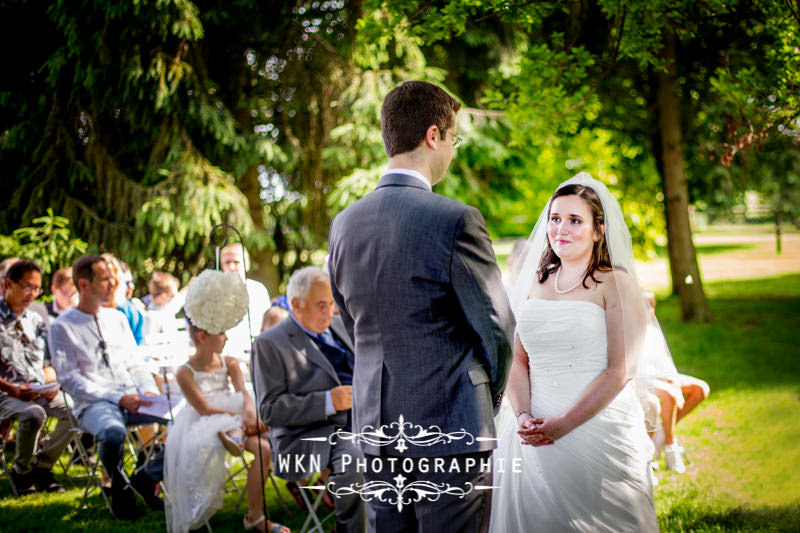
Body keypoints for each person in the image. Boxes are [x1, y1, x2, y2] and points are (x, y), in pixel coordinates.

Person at [328, 81, 514, 533]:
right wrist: (484, 400)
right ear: (434, 136)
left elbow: (350, 322)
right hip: (450, 423)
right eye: (454, 138)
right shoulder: (455, 219)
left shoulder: (344, 224)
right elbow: (496, 326)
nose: (452, 150)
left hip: (375, 427)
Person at [490, 173, 658, 532]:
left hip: (595, 427)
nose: (560, 229)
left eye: (575, 220)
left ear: (599, 231)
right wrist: (521, 415)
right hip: (530, 430)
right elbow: (519, 360)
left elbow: (620, 370)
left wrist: (564, 424)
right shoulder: (536, 282)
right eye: (555, 218)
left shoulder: (616, 284)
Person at [164, 270, 287, 533]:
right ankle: (236, 435)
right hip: (204, 421)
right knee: (225, 429)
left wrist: (247, 412)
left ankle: (255, 515)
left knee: (263, 450)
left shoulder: (230, 362)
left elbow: (244, 392)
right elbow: (204, 408)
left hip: (233, 416)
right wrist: (237, 418)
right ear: (203, 337)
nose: (227, 338)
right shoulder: (185, 371)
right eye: (222, 333)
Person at [49, 254, 165, 520]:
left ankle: (146, 477)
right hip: (94, 404)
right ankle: (119, 485)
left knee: (185, 418)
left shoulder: (117, 318)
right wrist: (118, 397)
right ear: (84, 284)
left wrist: (148, 389)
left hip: (133, 396)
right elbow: (69, 379)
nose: (114, 284)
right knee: (113, 433)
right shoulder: (62, 327)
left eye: (114, 278)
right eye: (105, 279)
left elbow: (135, 362)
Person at [253, 266, 363, 532]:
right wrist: (327, 401)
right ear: (295, 305)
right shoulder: (269, 344)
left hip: (364, 418)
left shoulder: (340, 325)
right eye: (320, 306)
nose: (329, 313)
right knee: (357, 458)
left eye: (331, 305)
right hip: (311, 434)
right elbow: (269, 410)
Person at [0, 259, 71, 494]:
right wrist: (13, 390)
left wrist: (49, 378)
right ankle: (22, 472)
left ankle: (42, 467)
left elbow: (48, 360)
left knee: (74, 409)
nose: (32, 294)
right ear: (8, 284)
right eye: (27, 287)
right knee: (33, 414)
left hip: (37, 389)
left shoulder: (36, 319)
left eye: (37, 288)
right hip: (6, 394)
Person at [219, 244, 270, 361]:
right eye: (227, 262)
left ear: (246, 264)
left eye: (236, 262)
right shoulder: (215, 291)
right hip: (225, 354)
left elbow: (266, 325)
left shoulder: (258, 289)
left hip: (254, 351)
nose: (231, 267)